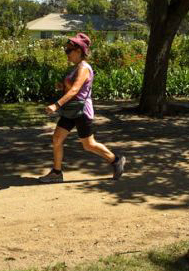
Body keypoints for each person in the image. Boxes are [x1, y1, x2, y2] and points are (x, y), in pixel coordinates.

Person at [38, 33, 126, 183]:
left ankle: (116, 161)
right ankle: (56, 173)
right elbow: (71, 88)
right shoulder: (76, 68)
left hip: (81, 111)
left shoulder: (84, 68)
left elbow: (75, 91)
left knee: (88, 145)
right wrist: (62, 86)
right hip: (71, 110)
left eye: (68, 50)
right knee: (57, 139)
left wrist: (56, 105)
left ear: (79, 51)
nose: (66, 53)